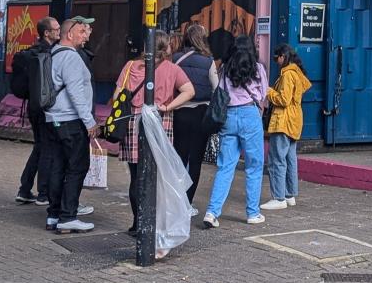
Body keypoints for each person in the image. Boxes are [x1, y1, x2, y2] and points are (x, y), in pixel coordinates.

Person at [114, 29, 194, 236]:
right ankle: (153, 221)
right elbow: (189, 91)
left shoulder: (130, 66)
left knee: (135, 175)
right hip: (161, 121)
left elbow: (117, 96)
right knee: (157, 175)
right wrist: (168, 107)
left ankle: (137, 222)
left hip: (133, 120)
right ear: (166, 47)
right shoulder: (172, 69)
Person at [202, 35, 268, 228]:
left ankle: (212, 212)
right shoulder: (258, 69)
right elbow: (263, 94)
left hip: (228, 116)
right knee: (254, 166)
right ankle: (252, 213)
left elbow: (219, 91)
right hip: (250, 115)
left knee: (225, 167)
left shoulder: (224, 69)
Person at [43, 18, 99, 233]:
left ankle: (53, 215)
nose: (86, 36)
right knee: (76, 167)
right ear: (70, 34)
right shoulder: (72, 58)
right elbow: (76, 94)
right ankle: (68, 217)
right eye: (82, 32)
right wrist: (90, 122)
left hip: (53, 119)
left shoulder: (53, 54)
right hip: (71, 120)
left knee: (57, 166)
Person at [13, 16, 60, 206]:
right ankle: (43, 193)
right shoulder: (49, 54)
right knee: (46, 147)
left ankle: (25, 189)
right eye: (56, 29)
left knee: (40, 146)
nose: (59, 32)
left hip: (33, 106)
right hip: (45, 107)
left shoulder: (31, 53)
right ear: (46, 33)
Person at [171, 23, 219, 205]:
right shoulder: (208, 61)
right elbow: (216, 88)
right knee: (196, 159)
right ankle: (187, 202)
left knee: (180, 157)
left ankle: (176, 199)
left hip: (180, 113)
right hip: (201, 113)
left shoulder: (175, 58)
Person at [261, 43, 311, 211]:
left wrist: (268, 91)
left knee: (276, 159)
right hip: (294, 120)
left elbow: (283, 99)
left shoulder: (287, 74)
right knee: (290, 158)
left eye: (277, 58)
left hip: (283, 120)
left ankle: (278, 197)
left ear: (283, 56)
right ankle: (289, 195)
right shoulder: (297, 73)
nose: (276, 61)